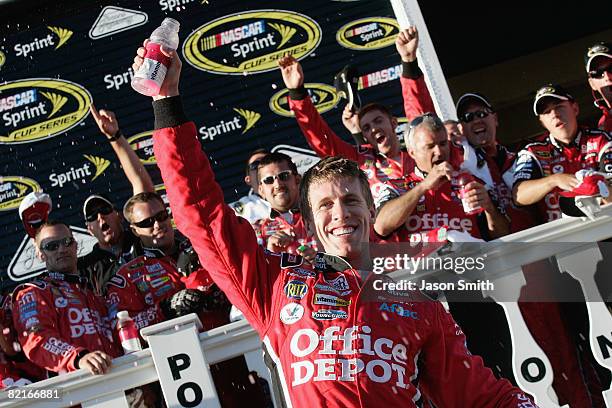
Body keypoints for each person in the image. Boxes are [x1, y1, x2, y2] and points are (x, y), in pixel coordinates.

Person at [133, 39, 537, 407]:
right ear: (309, 222)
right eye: (325, 205)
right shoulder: (274, 286)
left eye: (350, 200)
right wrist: (167, 104)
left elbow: (481, 397)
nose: (340, 213)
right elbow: (201, 214)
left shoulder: (419, 306)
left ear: (370, 210)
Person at [108, 192, 266, 408]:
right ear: (134, 230)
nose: (157, 225)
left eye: (162, 216)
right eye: (147, 222)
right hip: (183, 371)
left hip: (235, 352)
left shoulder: (204, 247)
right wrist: (165, 308)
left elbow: (244, 281)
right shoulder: (128, 275)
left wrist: (220, 295)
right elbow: (123, 329)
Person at [279, 27, 435, 205]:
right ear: (365, 136)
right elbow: (323, 143)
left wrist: (408, 61)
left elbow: (422, 122)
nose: (374, 128)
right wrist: (297, 92)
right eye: (367, 128)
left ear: (393, 123)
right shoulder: (360, 162)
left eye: (378, 121)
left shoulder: (419, 153)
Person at [374, 113, 509, 241]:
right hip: (425, 264)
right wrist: (423, 186)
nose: (439, 151)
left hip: (470, 263)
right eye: (430, 146)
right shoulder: (395, 187)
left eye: (443, 144)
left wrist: (490, 209)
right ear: (412, 153)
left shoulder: (469, 181)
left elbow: (504, 235)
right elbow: (381, 227)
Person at [12, 221, 120, 375]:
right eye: (52, 246)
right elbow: (37, 341)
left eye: (67, 242)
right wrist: (78, 358)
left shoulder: (92, 294)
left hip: (119, 379)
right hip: (75, 389)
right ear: (40, 254)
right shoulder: (33, 293)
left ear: (75, 245)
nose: (62, 249)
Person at [79, 105, 155, 295]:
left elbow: (142, 184)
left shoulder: (141, 237)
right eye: (92, 216)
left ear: (119, 215)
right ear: (89, 229)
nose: (100, 218)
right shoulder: (86, 268)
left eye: (104, 210)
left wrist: (115, 137)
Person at [513, 84, 612, 223]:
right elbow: (518, 196)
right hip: (562, 236)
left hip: (603, 225)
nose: (554, 114)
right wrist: (555, 180)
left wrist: (598, 186)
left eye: (559, 106)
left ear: (575, 108)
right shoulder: (533, 152)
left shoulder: (602, 140)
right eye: (546, 112)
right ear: (542, 122)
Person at [455, 92, 536, 233]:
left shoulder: (523, 158)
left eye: (481, 114)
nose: (476, 121)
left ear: (495, 119)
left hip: (541, 239)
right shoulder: (463, 168)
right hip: (499, 248)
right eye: (468, 118)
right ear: (462, 129)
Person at [252, 152, 317, 254]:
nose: (278, 184)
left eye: (284, 176)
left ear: (297, 180)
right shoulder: (255, 232)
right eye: (268, 180)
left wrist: (320, 261)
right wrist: (271, 254)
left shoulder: (322, 215)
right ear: (261, 190)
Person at [229, 148, 272, 224]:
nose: (261, 167)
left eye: (267, 162)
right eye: (255, 165)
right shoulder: (239, 210)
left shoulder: (295, 196)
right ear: (248, 179)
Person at [585, 42, 612, 132]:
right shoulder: (602, 128)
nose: (607, 77)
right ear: (592, 84)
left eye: (611, 69)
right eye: (598, 73)